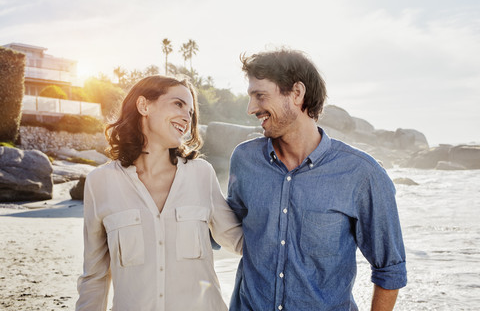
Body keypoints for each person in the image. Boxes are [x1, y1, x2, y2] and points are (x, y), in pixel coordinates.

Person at [227, 49, 407, 311]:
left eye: (260, 96)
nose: (251, 108)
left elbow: (390, 269)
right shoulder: (244, 160)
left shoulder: (362, 174)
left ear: (297, 93)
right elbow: (225, 227)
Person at [76, 75, 243, 311]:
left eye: (191, 112)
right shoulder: (100, 182)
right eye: (178, 104)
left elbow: (239, 241)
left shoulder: (201, 175)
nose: (187, 117)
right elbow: (94, 277)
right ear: (144, 106)